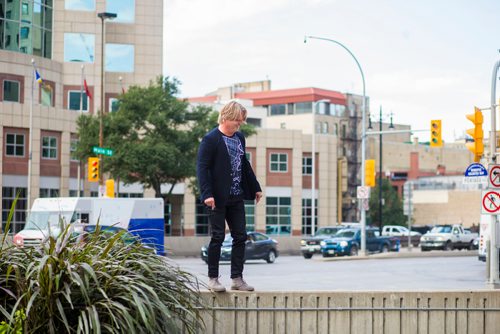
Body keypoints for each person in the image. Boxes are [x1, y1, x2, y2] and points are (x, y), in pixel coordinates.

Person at [197, 101, 262, 292]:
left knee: (240, 236)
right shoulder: (211, 139)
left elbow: (244, 164)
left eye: (241, 122)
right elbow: (202, 168)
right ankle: (213, 279)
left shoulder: (239, 138)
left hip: (236, 196)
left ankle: (237, 279)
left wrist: (255, 187)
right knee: (217, 237)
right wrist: (207, 194)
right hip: (216, 197)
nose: (239, 125)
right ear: (226, 118)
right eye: (237, 122)